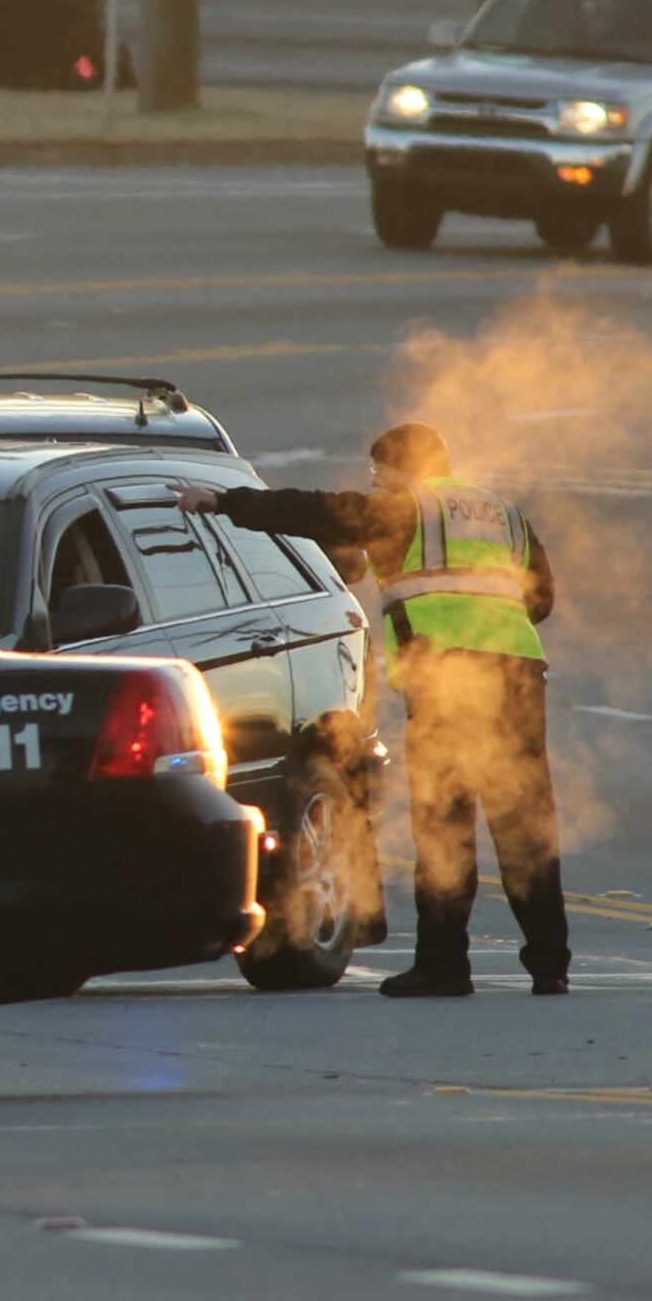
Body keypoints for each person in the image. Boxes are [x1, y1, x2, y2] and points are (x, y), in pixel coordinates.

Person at [179, 423, 567, 997]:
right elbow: (541, 598)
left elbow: (317, 513)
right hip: (517, 675)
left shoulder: (408, 508)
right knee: (524, 823)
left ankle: (443, 967)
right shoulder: (501, 513)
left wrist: (225, 501)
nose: (374, 484)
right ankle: (550, 966)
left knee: (444, 824)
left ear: (400, 470)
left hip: (447, 677)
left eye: (377, 473)